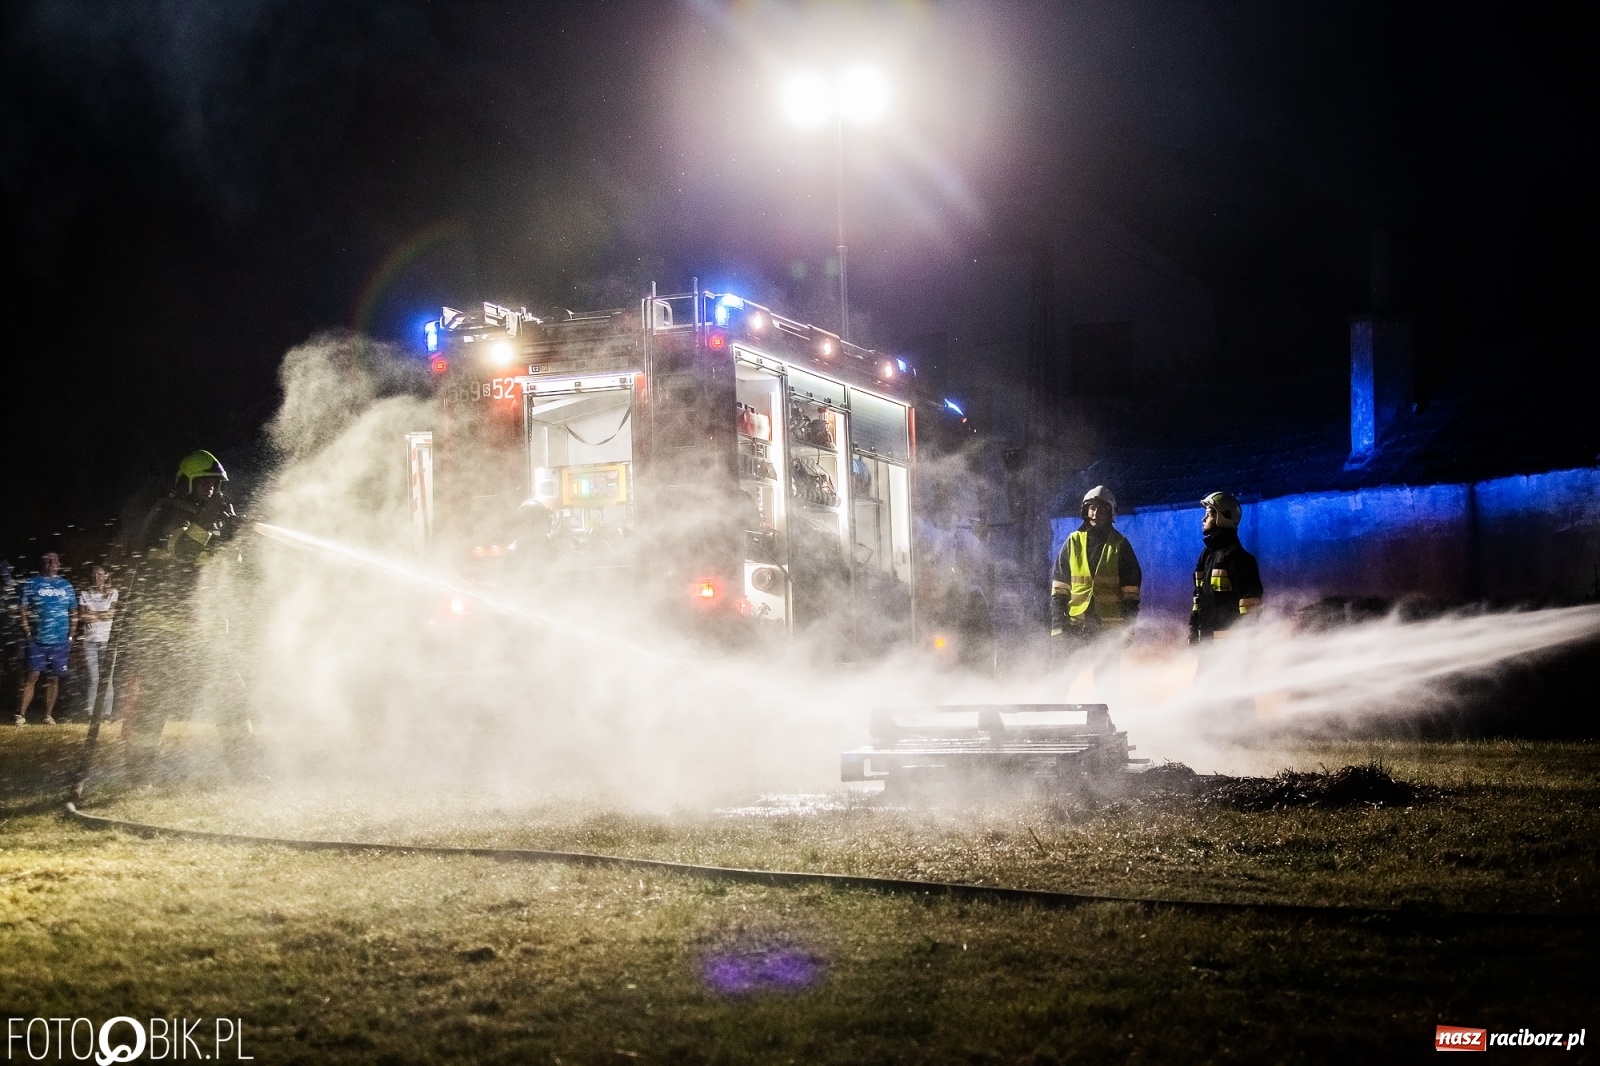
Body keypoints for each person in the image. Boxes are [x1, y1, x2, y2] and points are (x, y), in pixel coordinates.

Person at [78, 450, 250, 791]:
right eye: (204, 485)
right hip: (163, 630)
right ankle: (139, 776)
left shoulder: (212, 521)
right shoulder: (166, 513)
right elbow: (183, 551)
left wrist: (233, 536)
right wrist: (207, 523)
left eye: (215, 486)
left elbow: (232, 567)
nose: (211, 493)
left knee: (233, 696)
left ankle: (243, 772)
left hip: (206, 630)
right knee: (155, 705)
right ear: (186, 483)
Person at [1050, 485, 1142, 644]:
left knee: (1107, 670)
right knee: (1068, 670)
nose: (1096, 513)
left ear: (1110, 513)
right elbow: (1059, 590)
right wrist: (1058, 626)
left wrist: (1128, 630)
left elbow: (1131, 596)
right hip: (1075, 627)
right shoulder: (1073, 542)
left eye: (1102, 509)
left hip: (1109, 632)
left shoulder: (1121, 545)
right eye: (1092, 508)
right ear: (1085, 511)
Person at [1189, 491, 1263, 643]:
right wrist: (1193, 632)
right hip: (1207, 645)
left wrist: (1245, 647)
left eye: (1209, 514)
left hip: (1231, 650)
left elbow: (1251, 611)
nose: (1203, 519)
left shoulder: (1239, 559)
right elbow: (1198, 599)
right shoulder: (1206, 555)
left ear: (1223, 517)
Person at [17, 552, 78, 725]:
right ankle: (21, 715)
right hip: (37, 639)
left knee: (54, 678)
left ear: (59, 564)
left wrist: (71, 635)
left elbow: (73, 612)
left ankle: (48, 715)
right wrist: (28, 631)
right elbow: (22, 609)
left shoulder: (66, 585)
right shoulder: (32, 583)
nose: (52, 563)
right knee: (33, 675)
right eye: (47, 561)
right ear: (42, 564)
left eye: (55, 561)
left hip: (60, 641)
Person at [77, 564, 119, 722]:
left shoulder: (112, 593)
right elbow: (82, 617)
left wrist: (93, 614)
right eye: (94, 575)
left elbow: (111, 615)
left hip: (106, 640)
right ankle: (91, 713)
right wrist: (100, 615)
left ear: (106, 576)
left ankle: (107, 713)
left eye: (100, 574)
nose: (97, 577)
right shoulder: (84, 594)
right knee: (93, 678)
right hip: (90, 641)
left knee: (107, 677)